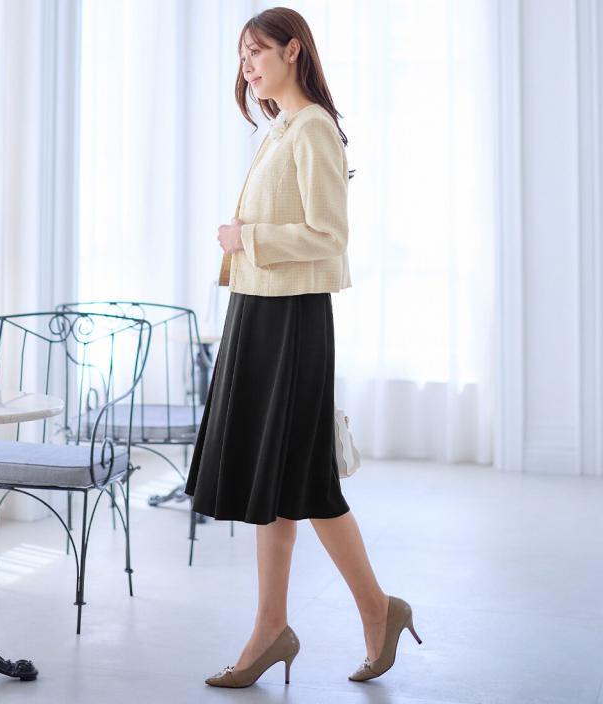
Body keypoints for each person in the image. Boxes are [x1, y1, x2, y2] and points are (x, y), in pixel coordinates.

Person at [183, 6, 422, 689]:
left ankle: (364, 611)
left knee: (305, 480)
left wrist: (246, 238)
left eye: (257, 52)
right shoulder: (281, 128)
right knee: (282, 481)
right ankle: (279, 626)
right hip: (260, 311)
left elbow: (329, 236)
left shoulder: (312, 127)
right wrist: (245, 246)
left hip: (290, 320)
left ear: (293, 51)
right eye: (241, 57)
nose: (247, 67)